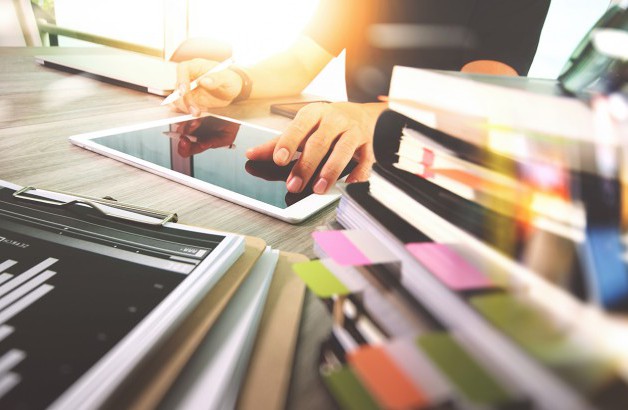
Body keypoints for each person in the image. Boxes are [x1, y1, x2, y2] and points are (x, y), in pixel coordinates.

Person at [171, 0, 550, 195]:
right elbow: (300, 61)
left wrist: (379, 116)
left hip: (438, 175)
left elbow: (481, 99)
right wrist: (238, 80)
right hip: (353, 167)